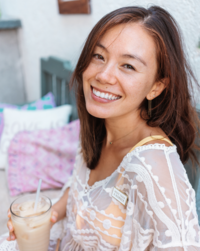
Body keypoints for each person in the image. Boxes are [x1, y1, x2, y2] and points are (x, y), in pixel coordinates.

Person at [3, 5, 200, 251]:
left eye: (128, 66)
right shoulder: (101, 128)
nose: (104, 75)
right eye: (99, 56)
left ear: (156, 87)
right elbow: (81, 189)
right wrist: (48, 214)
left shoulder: (154, 168)